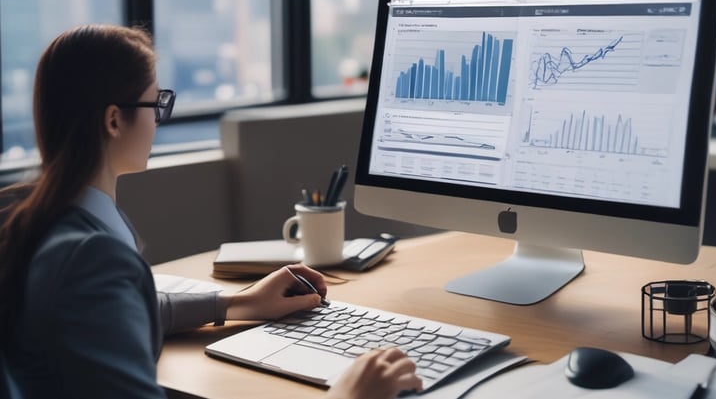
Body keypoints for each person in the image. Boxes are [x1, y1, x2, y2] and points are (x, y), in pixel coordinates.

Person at [0, 24, 421, 399]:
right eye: (156, 104)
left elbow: (121, 311)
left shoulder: (35, 221)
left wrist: (238, 303)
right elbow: (106, 302)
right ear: (113, 121)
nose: (158, 121)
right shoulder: (90, 259)